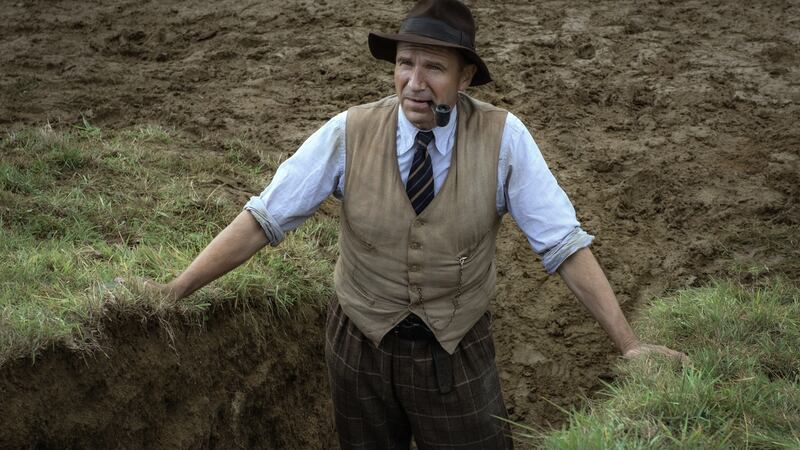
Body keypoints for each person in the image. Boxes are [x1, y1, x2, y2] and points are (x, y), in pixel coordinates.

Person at [135, 0, 686, 448]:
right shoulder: (347, 134)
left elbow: (563, 244)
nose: (415, 83)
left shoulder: (505, 139)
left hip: (456, 355)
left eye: (435, 67)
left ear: (466, 76)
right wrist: (175, 290)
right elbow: (264, 218)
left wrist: (629, 345)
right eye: (405, 63)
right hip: (357, 351)